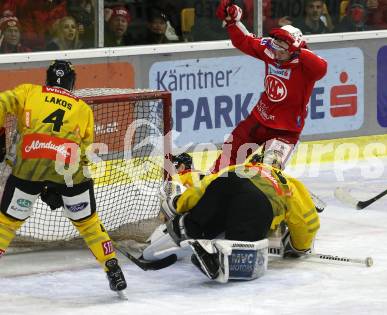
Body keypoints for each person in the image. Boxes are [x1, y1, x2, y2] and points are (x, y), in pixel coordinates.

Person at [0, 60, 127, 295]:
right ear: (72, 83)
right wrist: (64, 187)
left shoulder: (29, 91)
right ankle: (112, 267)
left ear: (47, 79)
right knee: (88, 224)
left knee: (7, 224)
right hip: (70, 170)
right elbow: (86, 151)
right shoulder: (82, 108)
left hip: (29, 165)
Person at [143, 160, 320, 283]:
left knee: (204, 216)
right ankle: (218, 256)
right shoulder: (291, 184)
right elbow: (307, 223)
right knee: (242, 250)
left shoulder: (244, 166)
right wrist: (299, 247)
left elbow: (202, 188)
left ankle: (188, 226)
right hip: (257, 201)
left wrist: (179, 205)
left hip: (225, 184)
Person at [211, 1, 327, 172]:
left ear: (294, 50)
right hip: (258, 119)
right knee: (226, 159)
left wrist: (299, 48)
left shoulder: (306, 66)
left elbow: (322, 67)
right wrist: (232, 21)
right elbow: (245, 41)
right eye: (275, 46)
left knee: (267, 175)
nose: (277, 53)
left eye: (283, 50)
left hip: (286, 131)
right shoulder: (270, 50)